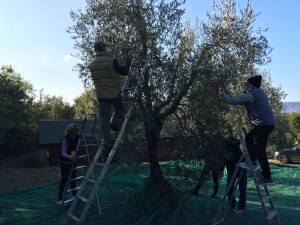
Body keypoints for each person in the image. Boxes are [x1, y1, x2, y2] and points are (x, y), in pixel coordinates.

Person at [219, 75, 275, 186]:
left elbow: (232, 100)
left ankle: (267, 177)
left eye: (246, 84)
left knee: (260, 151)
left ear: (250, 85)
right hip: (268, 124)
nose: (244, 85)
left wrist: (222, 93)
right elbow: (240, 102)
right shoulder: (260, 93)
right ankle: (253, 161)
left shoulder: (251, 94)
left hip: (263, 125)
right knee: (249, 138)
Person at [88, 41, 130, 150]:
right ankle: (115, 123)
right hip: (114, 93)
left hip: (101, 95)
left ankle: (107, 143)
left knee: (104, 119)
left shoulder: (91, 65)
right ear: (104, 48)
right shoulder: (111, 61)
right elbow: (124, 72)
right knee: (120, 108)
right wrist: (127, 62)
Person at [57, 123, 80, 205]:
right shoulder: (65, 139)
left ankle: (74, 196)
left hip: (72, 162)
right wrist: (70, 157)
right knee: (64, 179)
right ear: (73, 132)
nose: (78, 132)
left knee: (73, 178)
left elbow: (85, 137)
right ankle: (59, 200)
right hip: (64, 162)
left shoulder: (77, 137)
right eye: (77, 131)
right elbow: (63, 153)